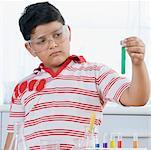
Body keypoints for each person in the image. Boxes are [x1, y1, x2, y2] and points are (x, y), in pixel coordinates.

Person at [4, 1, 150, 150]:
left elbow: (137, 98)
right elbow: (13, 138)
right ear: (30, 48)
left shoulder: (95, 73)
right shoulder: (22, 87)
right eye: (42, 41)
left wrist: (138, 64)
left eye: (58, 35)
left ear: (69, 32)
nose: (53, 44)